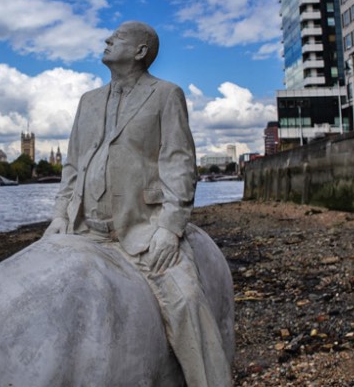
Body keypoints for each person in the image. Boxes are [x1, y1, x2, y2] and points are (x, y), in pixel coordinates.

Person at [45, 21, 232, 387]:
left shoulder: (166, 95)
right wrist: (58, 216)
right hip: (81, 227)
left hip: (142, 231)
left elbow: (179, 162)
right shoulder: (88, 101)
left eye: (117, 37)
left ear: (140, 51)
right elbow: (72, 166)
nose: (107, 40)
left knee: (187, 301)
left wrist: (169, 228)